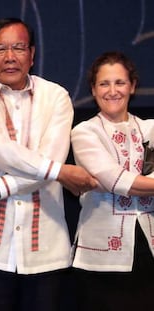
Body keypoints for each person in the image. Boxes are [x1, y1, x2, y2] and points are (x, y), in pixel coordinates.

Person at [0, 17, 97, 311]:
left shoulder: (55, 96)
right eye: (0, 49)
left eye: (18, 47)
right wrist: (58, 172)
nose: (10, 57)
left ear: (32, 54)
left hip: (44, 247)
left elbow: (49, 158)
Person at [71, 51, 154, 311]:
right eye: (104, 84)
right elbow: (116, 180)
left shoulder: (151, 128)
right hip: (101, 253)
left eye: (119, 82)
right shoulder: (84, 132)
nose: (112, 91)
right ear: (94, 90)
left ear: (132, 86)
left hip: (149, 249)